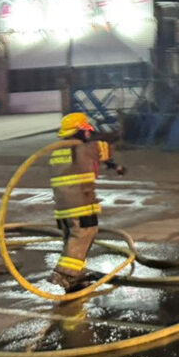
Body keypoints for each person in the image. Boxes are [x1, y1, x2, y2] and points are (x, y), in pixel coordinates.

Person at [48, 113, 126, 292]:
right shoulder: (85, 148)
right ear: (81, 131)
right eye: (87, 130)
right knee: (84, 235)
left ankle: (76, 277)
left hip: (62, 207)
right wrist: (115, 135)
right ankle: (65, 274)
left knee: (71, 240)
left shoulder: (57, 151)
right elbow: (103, 147)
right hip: (81, 204)